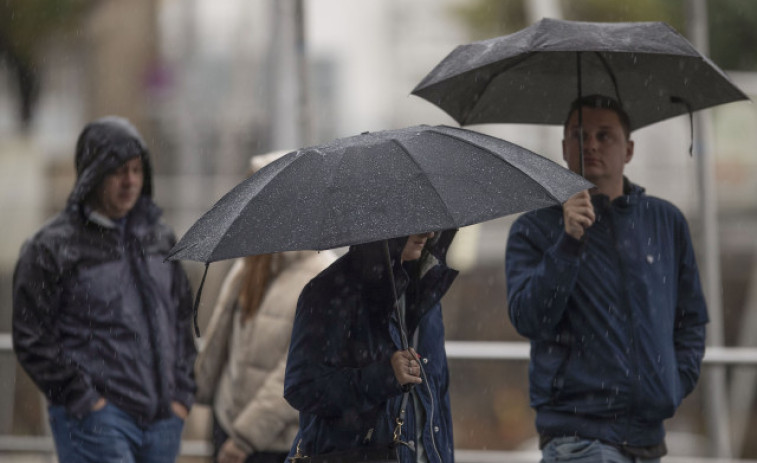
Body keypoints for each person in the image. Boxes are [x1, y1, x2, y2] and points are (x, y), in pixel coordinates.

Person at [505, 94, 709, 462]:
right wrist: (568, 242)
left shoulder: (665, 222)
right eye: (579, 135)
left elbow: (690, 319)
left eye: (604, 135)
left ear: (628, 149)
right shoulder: (533, 229)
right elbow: (529, 318)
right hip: (579, 438)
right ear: (564, 147)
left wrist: (672, 385)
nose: (591, 145)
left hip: (649, 437)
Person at [12, 116, 197, 463]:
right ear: (91, 174)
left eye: (136, 170)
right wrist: (84, 400)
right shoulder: (50, 247)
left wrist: (181, 397)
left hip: (163, 422)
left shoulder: (159, 237)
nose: (129, 182)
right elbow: (30, 335)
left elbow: (181, 319)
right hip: (96, 421)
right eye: (117, 171)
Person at [194, 152, 337, 463]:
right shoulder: (249, 265)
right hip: (224, 425)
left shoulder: (322, 275)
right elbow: (222, 343)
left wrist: (244, 440)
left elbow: (298, 370)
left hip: (272, 445)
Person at [284, 231, 458, 463]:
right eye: (414, 220)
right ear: (385, 226)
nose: (429, 232)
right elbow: (302, 387)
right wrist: (384, 377)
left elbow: (438, 394)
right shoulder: (328, 291)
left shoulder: (426, 289)